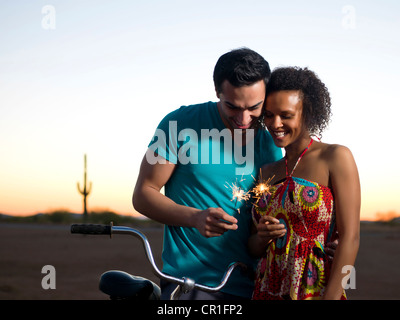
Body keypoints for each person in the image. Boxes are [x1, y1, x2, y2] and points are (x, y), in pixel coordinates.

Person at [132, 47, 283, 299]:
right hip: (190, 284)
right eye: (232, 107)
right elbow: (143, 194)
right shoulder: (176, 124)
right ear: (217, 92)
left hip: (254, 286)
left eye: (254, 107)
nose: (244, 118)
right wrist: (195, 217)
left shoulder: (270, 143)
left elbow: (271, 213)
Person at [248, 66, 360, 300]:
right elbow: (253, 248)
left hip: (315, 289)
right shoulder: (265, 172)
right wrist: (263, 236)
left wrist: (332, 295)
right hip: (267, 288)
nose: (275, 124)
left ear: (308, 113)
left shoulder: (335, 157)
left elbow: (351, 237)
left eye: (286, 115)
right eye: (268, 115)